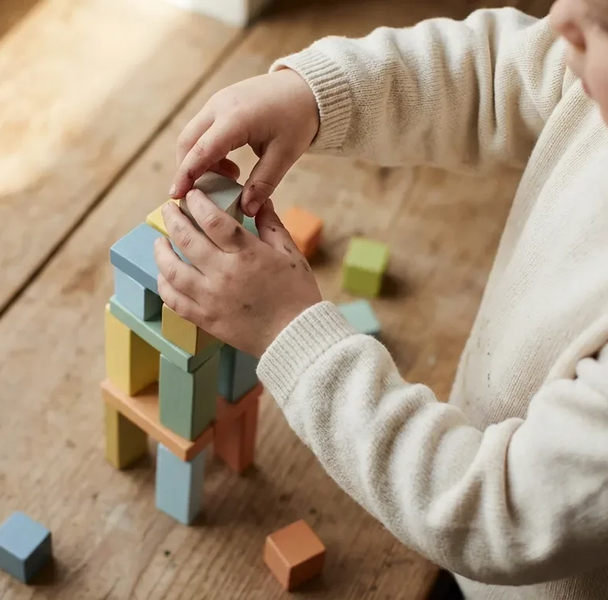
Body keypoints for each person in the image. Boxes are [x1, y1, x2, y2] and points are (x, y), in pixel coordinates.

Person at [151, 0, 608, 598]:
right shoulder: (588, 73)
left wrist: (291, 332)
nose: (561, 15)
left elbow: (498, 513)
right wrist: (316, 93)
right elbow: (495, 69)